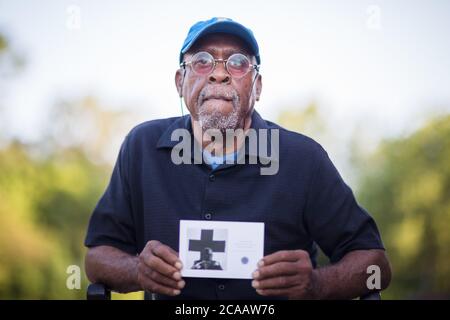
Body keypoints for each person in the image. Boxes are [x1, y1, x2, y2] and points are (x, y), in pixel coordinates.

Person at [84, 17, 391, 300]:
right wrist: (138, 269)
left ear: (256, 87)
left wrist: (317, 284)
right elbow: (97, 258)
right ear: (180, 81)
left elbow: (376, 266)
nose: (219, 73)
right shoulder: (141, 147)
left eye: (238, 63)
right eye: (202, 61)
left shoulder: (303, 158)